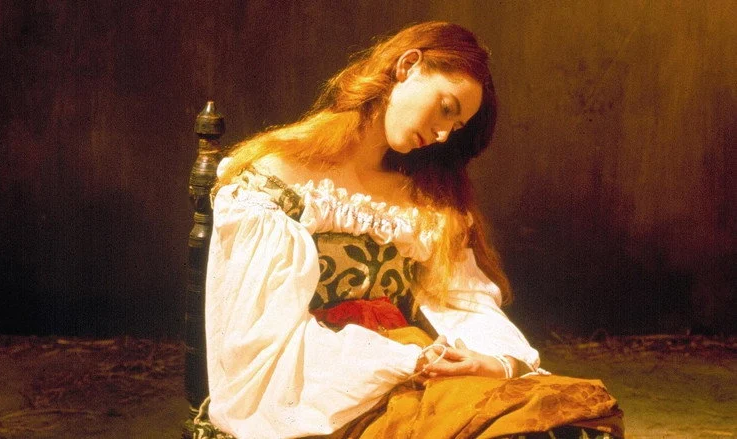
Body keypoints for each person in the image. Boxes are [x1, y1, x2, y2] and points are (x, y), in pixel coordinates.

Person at [201, 21, 624, 439]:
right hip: (320, 390)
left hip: (416, 374)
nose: (442, 134)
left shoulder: (426, 200)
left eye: (455, 127)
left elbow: (464, 301)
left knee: (568, 417)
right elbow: (261, 342)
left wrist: (496, 362)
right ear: (407, 66)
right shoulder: (276, 180)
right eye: (446, 108)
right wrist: (399, 360)